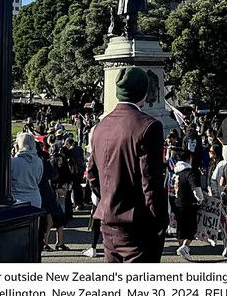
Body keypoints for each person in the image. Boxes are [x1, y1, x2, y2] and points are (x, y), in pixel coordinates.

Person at [87, 66, 168, 263]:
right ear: (144, 91)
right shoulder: (148, 127)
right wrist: (159, 221)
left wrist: (110, 198)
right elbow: (151, 182)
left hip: (108, 221)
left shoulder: (100, 127)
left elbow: (92, 175)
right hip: (138, 225)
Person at [173, 151, 204, 261]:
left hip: (177, 203)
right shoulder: (189, 172)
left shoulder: (176, 172)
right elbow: (195, 188)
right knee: (191, 227)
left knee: (181, 227)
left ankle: (181, 246)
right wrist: (201, 199)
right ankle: (185, 247)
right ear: (189, 158)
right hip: (189, 204)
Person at [10, 132, 43, 209]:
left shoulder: (13, 162)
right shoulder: (39, 161)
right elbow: (38, 179)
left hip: (17, 198)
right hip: (35, 198)